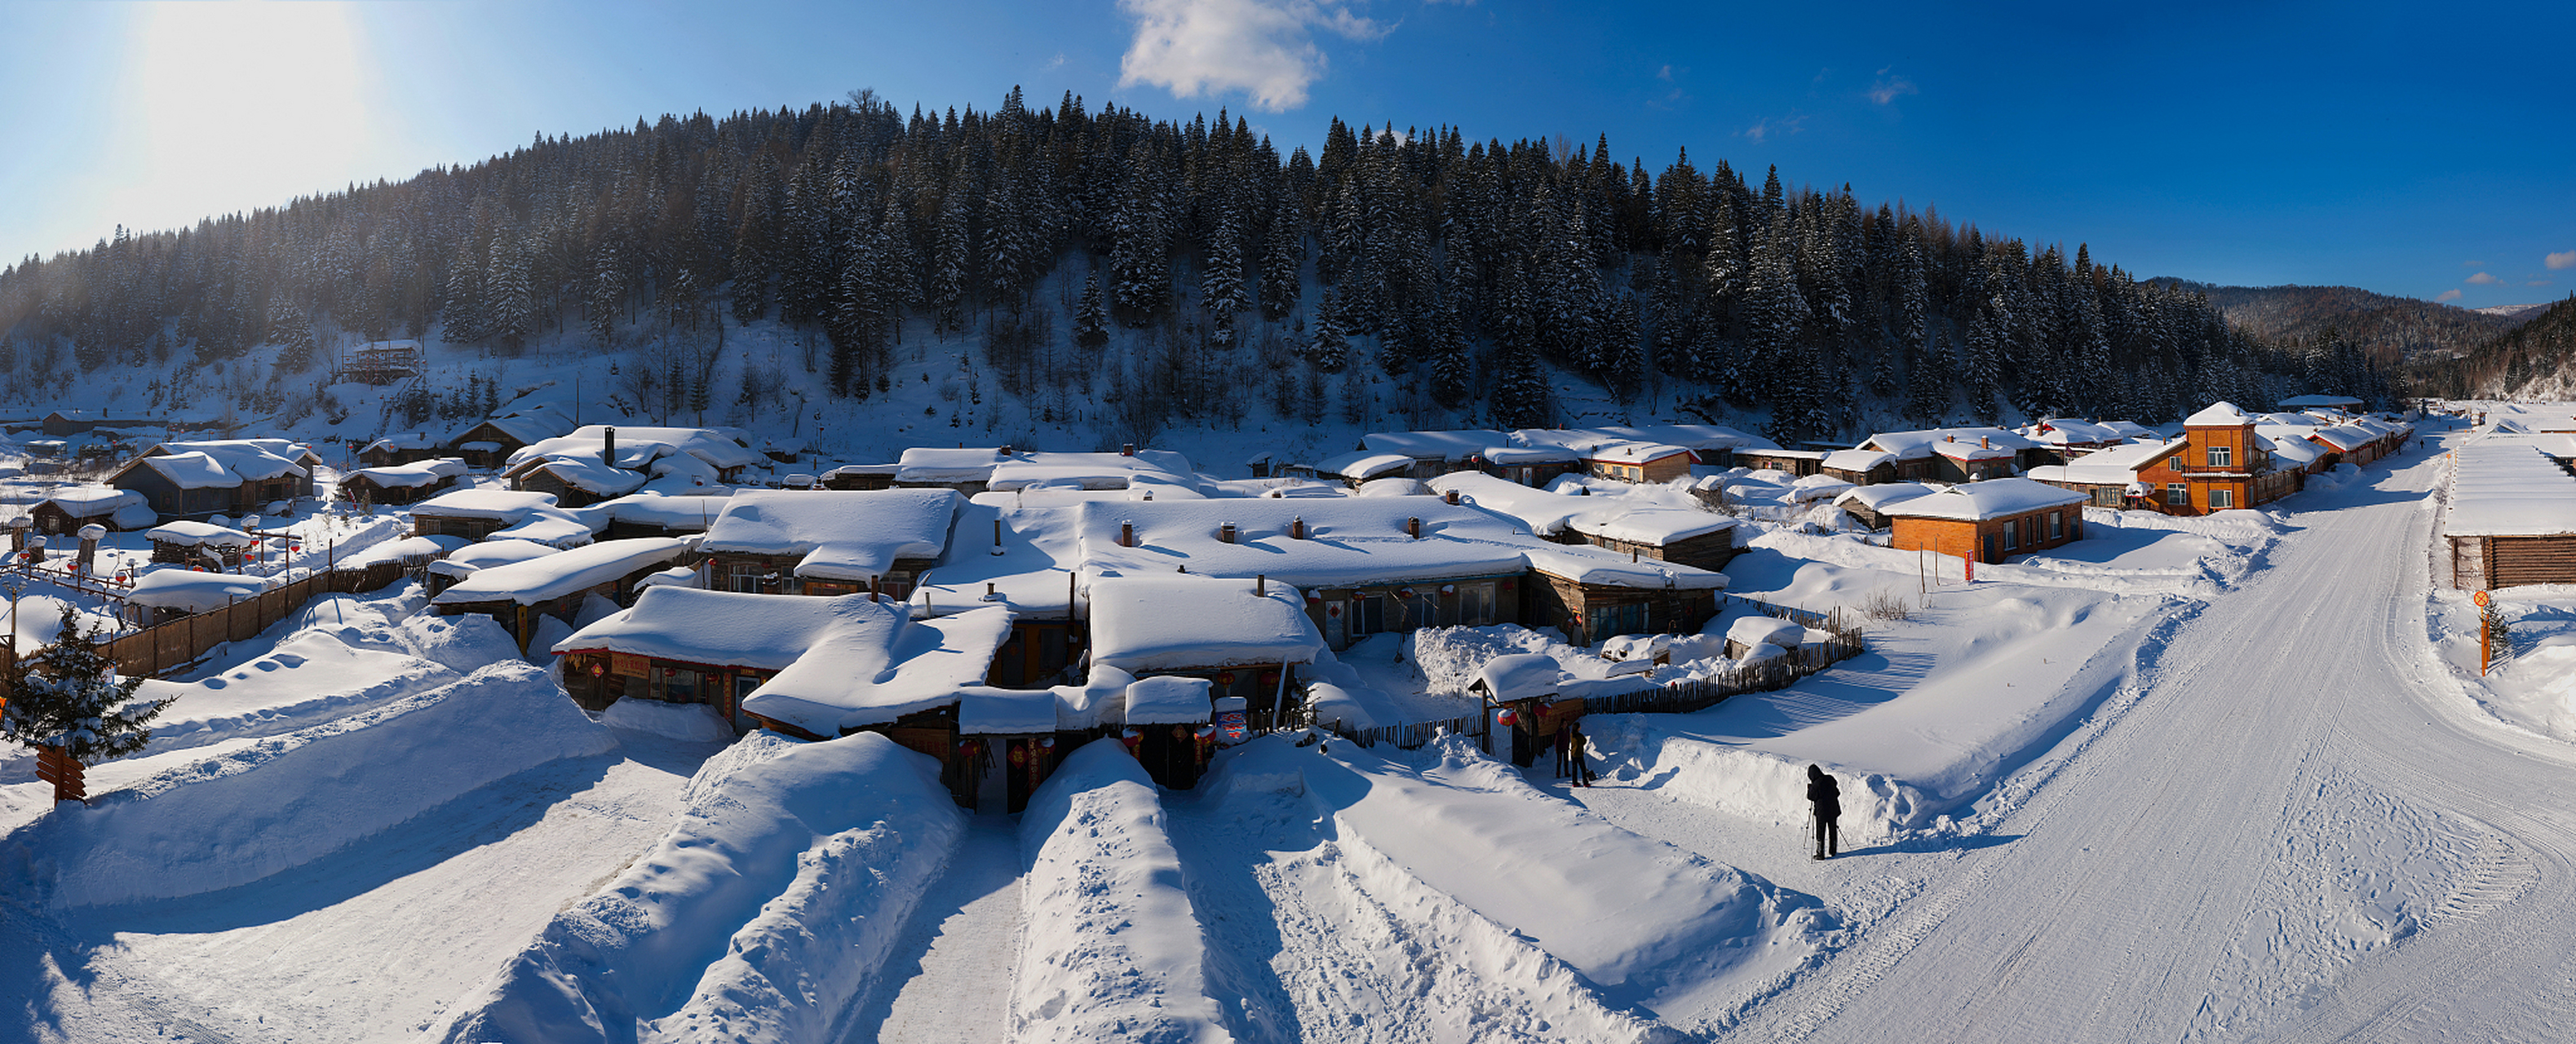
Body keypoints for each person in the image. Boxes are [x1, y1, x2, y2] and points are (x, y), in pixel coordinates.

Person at [1806, 763, 1841, 860]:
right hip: (1833, 809)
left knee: (1820, 832)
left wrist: (1810, 789)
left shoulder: (1816, 784)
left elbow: (1811, 797)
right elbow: (1838, 793)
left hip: (1822, 812)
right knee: (1833, 830)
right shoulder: (1830, 779)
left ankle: (1820, 853)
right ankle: (1833, 850)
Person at [1567, 723, 1595, 787]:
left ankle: (1574, 782)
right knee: (1583, 769)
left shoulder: (1572, 734)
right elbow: (1584, 741)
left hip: (1573, 753)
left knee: (1574, 769)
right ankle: (1585, 782)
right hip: (1579, 754)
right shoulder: (1580, 735)